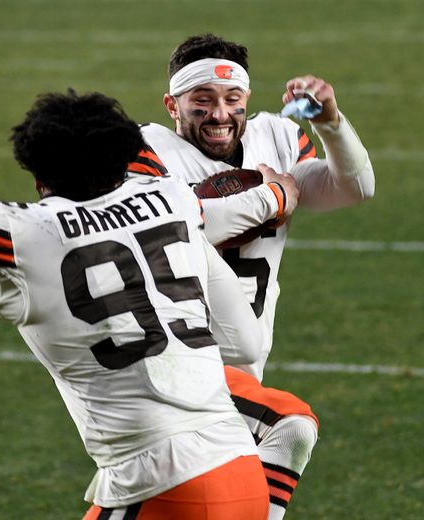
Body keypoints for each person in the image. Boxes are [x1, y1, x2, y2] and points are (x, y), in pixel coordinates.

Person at [0, 72, 300, 518]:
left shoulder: (20, 232)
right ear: (127, 156)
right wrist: (273, 195)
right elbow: (244, 341)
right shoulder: (172, 199)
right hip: (241, 469)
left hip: (160, 484)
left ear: (37, 172)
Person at [127, 33, 375, 519]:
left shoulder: (275, 137)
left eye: (231, 99)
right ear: (172, 105)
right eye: (202, 100)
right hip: (176, 362)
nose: (219, 114)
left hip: (246, 360)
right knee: (289, 433)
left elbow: (355, 188)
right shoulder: (145, 151)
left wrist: (331, 123)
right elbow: (168, 233)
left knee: (191, 504)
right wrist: (270, 199)